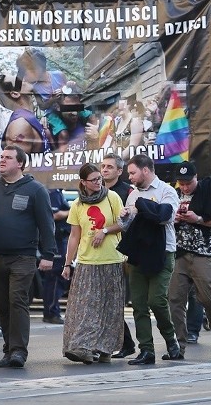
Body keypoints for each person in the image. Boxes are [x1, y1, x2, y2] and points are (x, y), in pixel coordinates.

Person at [0, 146, 56, 368]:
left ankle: (19, 351)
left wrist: (48, 254)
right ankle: (8, 350)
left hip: (23, 257)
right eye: (1, 157)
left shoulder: (35, 190)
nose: (2, 160)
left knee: (17, 301)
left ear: (20, 163)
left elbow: (46, 224)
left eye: (8, 158)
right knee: (2, 305)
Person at [115, 154, 181, 364]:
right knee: (139, 304)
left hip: (163, 251)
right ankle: (146, 350)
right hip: (138, 253)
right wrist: (125, 217)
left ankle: (171, 341)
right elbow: (126, 226)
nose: (130, 177)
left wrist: (141, 207)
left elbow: (165, 217)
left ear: (145, 170)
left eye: (133, 172)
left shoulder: (167, 191)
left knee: (157, 300)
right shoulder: (133, 195)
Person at [60, 163, 126, 365]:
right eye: (94, 180)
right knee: (85, 307)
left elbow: (124, 223)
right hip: (87, 261)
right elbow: (74, 236)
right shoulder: (78, 205)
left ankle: (105, 349)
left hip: (112, 258)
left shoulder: (112, 197)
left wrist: (104, 231)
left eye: (100, 178)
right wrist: (67, 263)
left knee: (110, 307)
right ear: (83, 183)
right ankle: (81, 347)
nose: (98, 182)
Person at [167, 161, 211, 358]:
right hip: (178, 253)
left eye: (189, 182)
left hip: (204, 252)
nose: (185, 187)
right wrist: (173, 219)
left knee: (208, 299)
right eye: (181, 183)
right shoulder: (173, 194)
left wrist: (199, 219)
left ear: (196, 178)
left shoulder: (209, 192)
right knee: (175, 299)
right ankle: (178, 346)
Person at [99, 152, 136, 358]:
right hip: (99, 252)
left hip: (121, 253)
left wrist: (105, 231)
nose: (104, 170)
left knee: (115, 301)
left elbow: (127, 224)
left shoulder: (126, 192)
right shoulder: (97, 190)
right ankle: (122, 342)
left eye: (109, 167)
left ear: (119, 171)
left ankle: (126, 343)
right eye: (103, 166)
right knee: (104, 301)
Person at [0, 74, 52, 154]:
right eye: (20, 80)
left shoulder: (27, 119)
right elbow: (20, 165)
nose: (25, 79)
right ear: (15, 94)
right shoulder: (20, 125)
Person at [41, 189, 70, 324]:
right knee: (54, 278)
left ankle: (51, 311)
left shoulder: (56, 191)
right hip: (56, 240)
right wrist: (72, 212)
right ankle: (51, 312)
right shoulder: (52, 192)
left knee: (55, 279)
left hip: (59, 239)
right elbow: (54, 214)